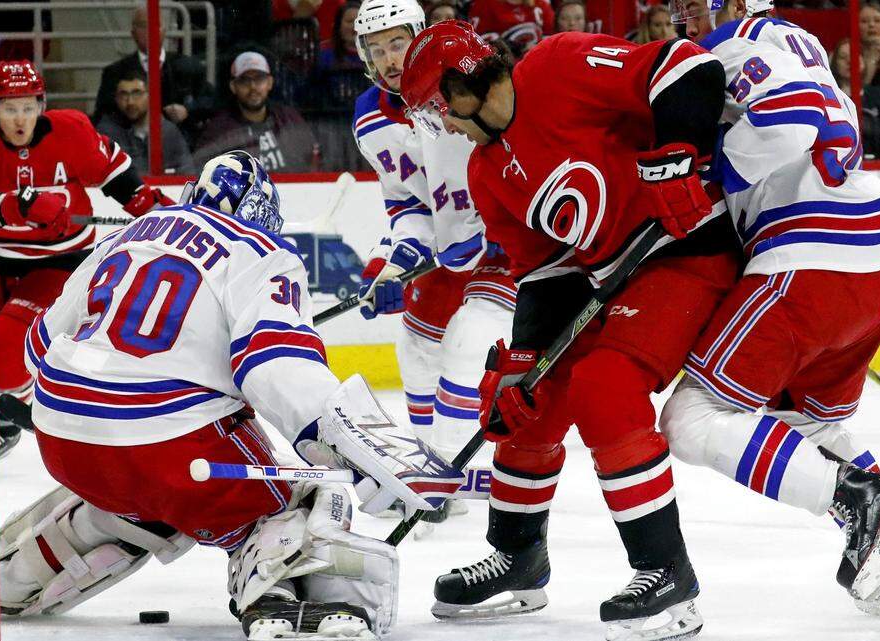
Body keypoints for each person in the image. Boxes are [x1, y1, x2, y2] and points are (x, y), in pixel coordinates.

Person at [0, 151, 447, 640]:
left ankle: (17, 570)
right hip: (171, 452)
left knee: (140, 498)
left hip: (63, 440)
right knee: (306, 489)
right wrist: (369, 455)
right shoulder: (260, 251)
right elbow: (279, 370)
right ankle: (271, 588)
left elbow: (37, 346)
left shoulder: (126, 235)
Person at [402, 19, 741, 640]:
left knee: (603, 385)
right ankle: (517, 557)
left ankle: (666, 573)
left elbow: (686, 67)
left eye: (436, 107)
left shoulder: (557, 66)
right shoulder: (485, 172)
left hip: (686, 246)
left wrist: (678, 157)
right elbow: (545, 271)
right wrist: (524, 361)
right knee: (531, 398)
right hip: (607, 276)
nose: (441, 124)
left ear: (462, 84)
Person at [670, 0, 880, 619]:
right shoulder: (802, 45)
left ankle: (861, 504)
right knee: (804, 425)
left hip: (810, 255)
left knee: (691, 417)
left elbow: (790, 117)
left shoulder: (732, 43)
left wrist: (708, 179)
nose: (684, 9)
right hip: (872, 259)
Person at [0, 60, 173, 435]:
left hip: (58, 262)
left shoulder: (70, 130)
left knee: (3, 352)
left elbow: (115, 175)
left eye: (28, 107)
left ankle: (16, 407)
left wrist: (156, 209)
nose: (19, 119)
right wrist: (17, 205)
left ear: (42, 105)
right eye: (10, 108)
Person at [351, 0, 516, 473]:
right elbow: (409, 204)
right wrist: (398, 262)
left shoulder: (468, 84)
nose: (388, 59)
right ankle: (428, 466)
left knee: (468, 343)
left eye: (397, 43)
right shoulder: (369, 117)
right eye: (376, 48)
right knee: (417, 346)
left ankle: (453, 473)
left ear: (420, 36)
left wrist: (508, 217)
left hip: (509, 247)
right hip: (453, 245)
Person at [93, 6, 217, 144]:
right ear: (133, 33)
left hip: (181, 145)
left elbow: (211, 102)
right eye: (143, 26)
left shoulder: (188, 66)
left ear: (164, 30)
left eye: (156, 25)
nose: (150, 31)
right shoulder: (115, 72)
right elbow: (102, 116)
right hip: (132, 146)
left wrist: (188, 110)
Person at [195, 52, 321, 171]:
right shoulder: (218, 130)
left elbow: (313, 160)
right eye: (244, 80)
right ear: (233, 86)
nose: (253, 87)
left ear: (270, 83)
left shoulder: (289, 118)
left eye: (259, 79)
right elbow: (203, 173)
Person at [96, 67, 196, 176]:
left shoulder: (168, 131)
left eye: (136, 93)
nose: (130, 102)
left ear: (150, 95)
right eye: (123, 95)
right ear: (116, 99)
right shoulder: (108, 132)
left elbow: (187, 173)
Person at [467, 0, 554, 54]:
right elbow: (476, 41)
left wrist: (539, 48)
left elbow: (552, 36)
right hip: (501, 66)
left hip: (536, 59)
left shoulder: (541, 5)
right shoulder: (484, 4)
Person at [318, 1, 365, 71]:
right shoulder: (322, 53)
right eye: (349, 21)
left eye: (360, 21)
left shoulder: (376, 54)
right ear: (338, 26)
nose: (355, 27)